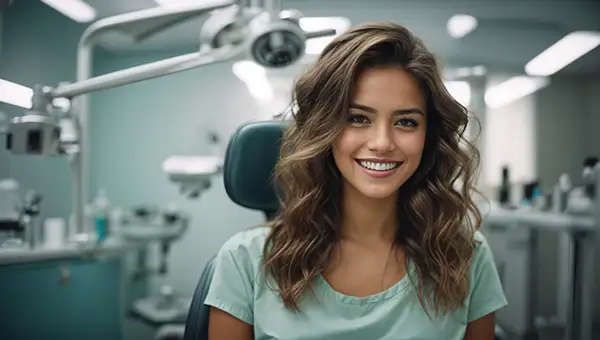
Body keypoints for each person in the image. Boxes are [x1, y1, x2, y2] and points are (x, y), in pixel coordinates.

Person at [205, 22, 507, 340]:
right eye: (358, 118)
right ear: (324, 129)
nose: (382, 142)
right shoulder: (246, 259)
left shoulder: (464, 256)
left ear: (428, 136)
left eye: (406, 122)